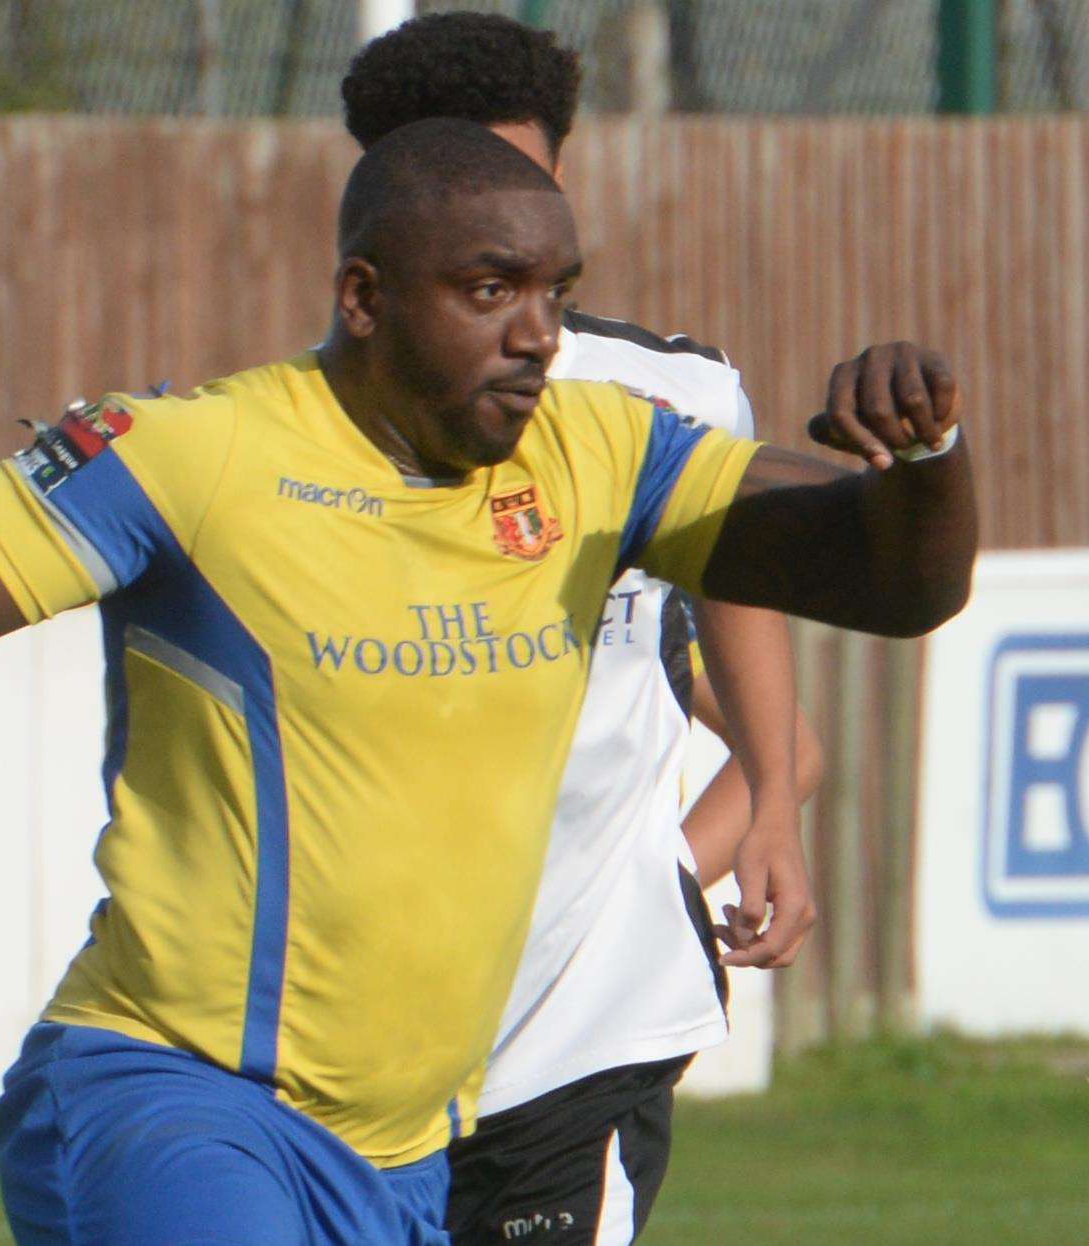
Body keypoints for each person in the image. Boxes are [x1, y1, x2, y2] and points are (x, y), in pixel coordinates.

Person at [0, 118, 974, 1246]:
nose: (539, 330)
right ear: (363, 297)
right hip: (171, 1098)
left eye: (556, 291)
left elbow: (896, 585)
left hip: (410, 1148)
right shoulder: (197, 457)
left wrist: (924, 459)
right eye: (490, 290)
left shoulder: (606, 455)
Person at [341, 15, 823, 1242]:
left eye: (529, 187)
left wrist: (763, 804)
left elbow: (736, 619)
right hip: (354, 1029)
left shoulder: (671, 398)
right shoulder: (292, 430)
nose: (511, 231)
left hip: (585, 1024)